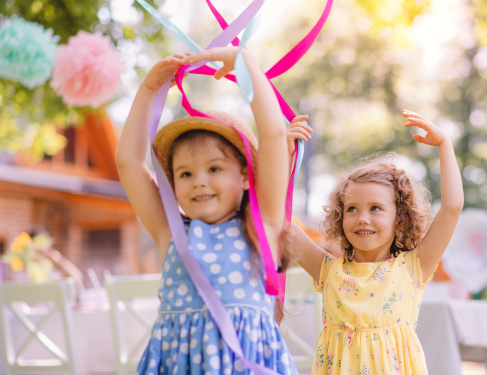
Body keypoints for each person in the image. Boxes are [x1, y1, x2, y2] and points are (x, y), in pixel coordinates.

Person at [115, 47, 298, 375]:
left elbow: (272, 135)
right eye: (185, 173)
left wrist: (245, 64)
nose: (199, 181)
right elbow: (129, 163)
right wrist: (147, 91)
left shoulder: (262, 224)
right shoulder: (171, 232)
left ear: (245, 175)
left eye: (214, 169)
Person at [286, 110, 464, 374]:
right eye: (352, 209)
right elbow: (276, 215)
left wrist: (445, 145)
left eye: (376, 209)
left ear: (400, 218)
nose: (362, 219)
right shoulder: (328, 270)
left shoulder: (414, 266)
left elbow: (452, 207)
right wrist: (282, 156)